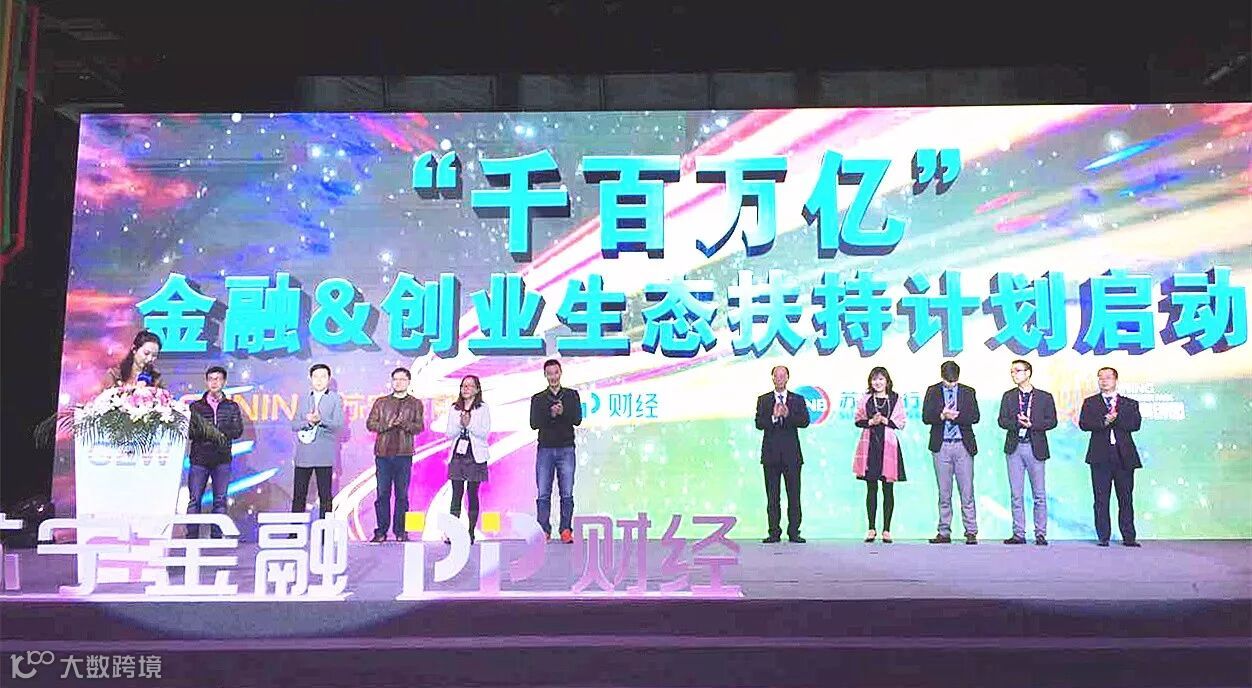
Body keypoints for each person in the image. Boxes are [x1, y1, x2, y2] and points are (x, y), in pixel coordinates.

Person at [1078, 366, 1143, 547]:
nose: (1104, 381)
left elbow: (1135, 424)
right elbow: (1084, 424)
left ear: (1115, 380)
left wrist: (1116, 419)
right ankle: (1103, 536)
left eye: (1108, 377)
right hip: (1100, 456)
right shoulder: (1091, 402)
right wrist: (1104, 421)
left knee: (1125, 498)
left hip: (1124, 457)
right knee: (1101, 499)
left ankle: (1129, 537)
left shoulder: (1129, 403)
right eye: (1101, 377)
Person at [996, 359, 1057, 546]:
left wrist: (1032, 424)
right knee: (1016, 494)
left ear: (1028, 372)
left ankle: (1040, 533)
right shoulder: (1008, 396)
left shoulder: (1044, 397)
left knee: (1039, 494)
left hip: (1035, 446)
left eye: (1017, 371)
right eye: (1012, 371)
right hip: (1014, 447)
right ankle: (1018, 533)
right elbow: (1002, 421)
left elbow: (1052, 421)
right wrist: (1017, 423)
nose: (1014, 374)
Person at [921, 360, 981, 545]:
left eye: (954, 382)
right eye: (948, 382)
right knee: (944, 492)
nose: (951, 385)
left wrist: (956, 416)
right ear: (942, 377)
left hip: (963, 446)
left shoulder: (968, 392)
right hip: (941, 446)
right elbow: (926, 417)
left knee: (967, 491)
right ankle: (944, 531)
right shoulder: (932, 391)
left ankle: (971, 531)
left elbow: (975, 417)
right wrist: (942, 415)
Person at [365, 367, 424, 543]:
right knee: (382, 494)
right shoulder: (381, 402)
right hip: (383, 455)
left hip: (404, 454)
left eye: (402, 379)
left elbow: (419, 427)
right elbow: (371, 424)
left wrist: (404, 424)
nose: (398, 382)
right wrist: (389, 424)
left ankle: (400, 531)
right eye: (395, 379)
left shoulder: (415, 403)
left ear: (408, 382)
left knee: (402, 495)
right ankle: (381, 531)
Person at [755, 365, 811, 543]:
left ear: (788, 378)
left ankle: (794, 532)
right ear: (772, 378)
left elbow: (804, 422)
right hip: (770, 455)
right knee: (772, 496)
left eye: (782, 375)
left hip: (792, 456)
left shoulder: (797, 400)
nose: (779, 378)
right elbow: (759, 423)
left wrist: (788, 415)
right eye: (776, 375)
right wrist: (773, 417)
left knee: (794, 495)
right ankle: (774, 532)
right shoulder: (764, 400)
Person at [187, 366, 245, 538]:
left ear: (224, 382)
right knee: (195, 499)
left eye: (218, 379)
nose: (214, 382)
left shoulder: (231, 406)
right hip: (200, 459)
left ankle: (216, 536)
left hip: (222, 459)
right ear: (206, 382)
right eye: (211, 379)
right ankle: (191, 536)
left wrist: (219, 432)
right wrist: (211, 433)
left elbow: (238, 431)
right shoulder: (196, 407)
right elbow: (191, 432)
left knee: (220, 500)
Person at [529, 359, 581, 543]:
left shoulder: (571, 395)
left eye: (556, 373)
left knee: (566, 492)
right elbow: (534, 424)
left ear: (561, 373)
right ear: (545, 375)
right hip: (545, 450)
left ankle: (565, 529)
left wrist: (563, 412)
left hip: (566, 449)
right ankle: (543, 529)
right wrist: (550, 414)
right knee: (543, 492)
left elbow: (577, 420)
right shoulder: (538, 399)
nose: (553, 377)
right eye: (549, 373)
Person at [853, 366, 906, 543]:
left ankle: (887, 530)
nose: (878, 382)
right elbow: (858, 420)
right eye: (875, 379)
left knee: (888, 489)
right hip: (870, 446)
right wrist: (870, 421)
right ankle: (871, 528)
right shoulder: (866, 399)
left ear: (887, 381)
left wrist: (885, 420)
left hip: (888, 446)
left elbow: (901, 422)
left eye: (881, 379)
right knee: (871, 488)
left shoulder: (895, 398)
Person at [290, 363, 343, 520]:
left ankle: (325, 529)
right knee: (299, 495)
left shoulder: (335, 399)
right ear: (310, 378)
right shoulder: (303, 399)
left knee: (325, 496)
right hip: (303, 455)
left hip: (324, 455)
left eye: (323, 377)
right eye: (316, 376)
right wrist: (308, 422)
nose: (319, 380)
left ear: (329, 379)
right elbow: (294, 425)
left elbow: (338, 425)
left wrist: (321, 420)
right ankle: (295, 529)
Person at [443, 375, 491, 544]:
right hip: (458, 454)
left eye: (470, 386)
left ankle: (471, 532)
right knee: (456, 494)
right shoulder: (454, 408)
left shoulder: (483, 408)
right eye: (464, 386)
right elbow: (449, 433)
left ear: (477, 389)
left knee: (472, 493)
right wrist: (460, 423)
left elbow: (484, 433)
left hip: (475, 455)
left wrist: (469, 424)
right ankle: (453, 533)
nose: (466, 389)